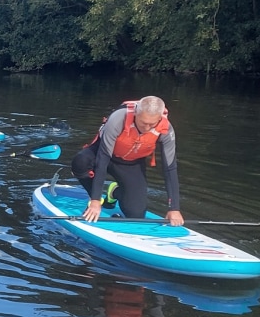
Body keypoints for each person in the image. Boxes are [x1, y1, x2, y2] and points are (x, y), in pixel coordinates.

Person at [71, 96, 184, 226]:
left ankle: (114, 192)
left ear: (159, 118)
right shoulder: (118, 119)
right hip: (103, 155)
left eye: (152, 124)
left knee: (136, 214)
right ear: (136, 113)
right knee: (80, 162)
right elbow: (102, 160)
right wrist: (95, 200)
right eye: (143, 122)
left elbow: (170, 168)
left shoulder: (166, 130)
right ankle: (96, 195)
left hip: (131, 163)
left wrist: (174, 208)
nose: (146, 128)